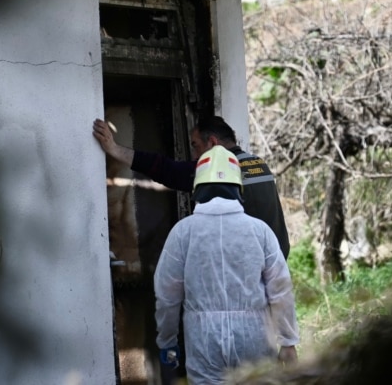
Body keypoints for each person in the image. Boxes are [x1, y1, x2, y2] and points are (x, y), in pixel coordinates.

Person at [154, 145, 299, 384]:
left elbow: (167, 294)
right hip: (255, 340)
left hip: (204, 342)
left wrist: (167, 341)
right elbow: (280, 289)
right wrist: (288, 342)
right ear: (238, 188)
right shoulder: (260, 231)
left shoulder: (182, 233)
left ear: (197, 188)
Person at [92, 115, 292, 258]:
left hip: (247, 271)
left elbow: (166, 169)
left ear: (212, 143)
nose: (194, 156)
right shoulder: (259, 164)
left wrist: (115, 150)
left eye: (195, 146)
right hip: (275, 262)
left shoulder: (217, 171)